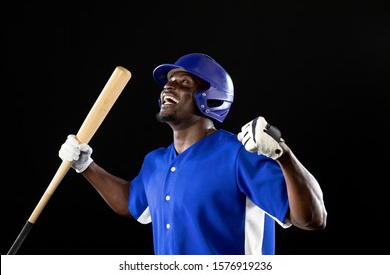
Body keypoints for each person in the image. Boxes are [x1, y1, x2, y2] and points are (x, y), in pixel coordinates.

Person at [59, 53, 327, 255]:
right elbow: (131, 203)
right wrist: (86, 165)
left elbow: (312, 219)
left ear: (211, 97)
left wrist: (283, 155)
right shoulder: (155, 162)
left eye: (182, 82)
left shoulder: (239, 154)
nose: (168, 87)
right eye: (168, 83)